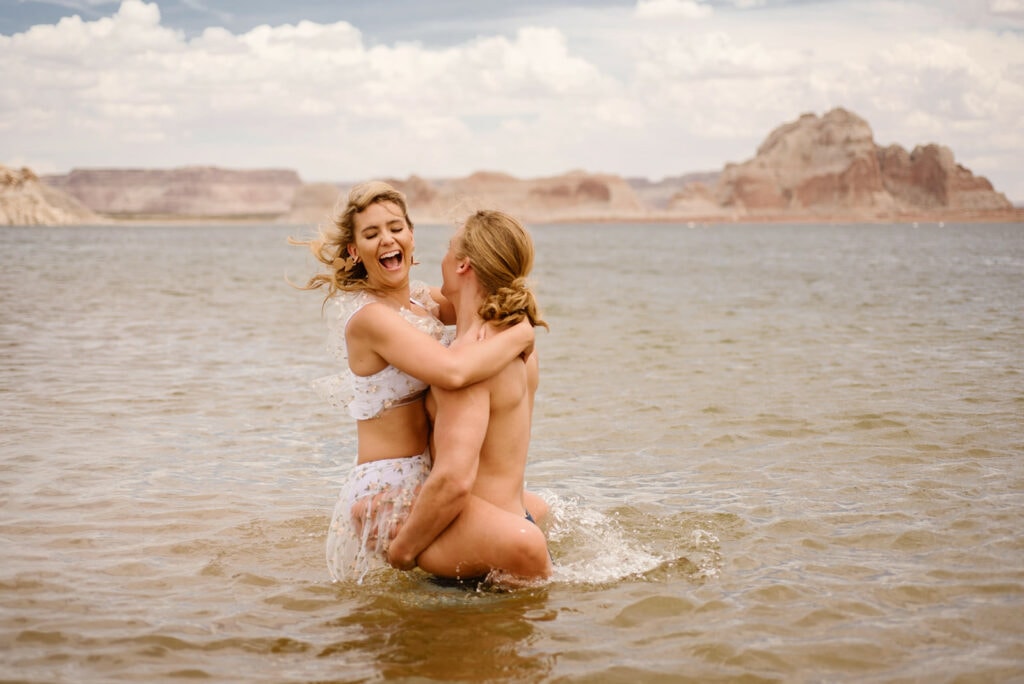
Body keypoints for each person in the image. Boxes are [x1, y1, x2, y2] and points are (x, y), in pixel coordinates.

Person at [292, 182, 534, 583]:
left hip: (426, 475)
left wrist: (521, 320)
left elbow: (484, 293)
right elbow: (454, 371)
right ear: (355, 251)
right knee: (520, 539)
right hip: (387, 484)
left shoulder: (423, 301)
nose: (386, 239)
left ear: (410, 235)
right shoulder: (371, 318)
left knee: (538, 507)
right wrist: (521, 337)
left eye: (395, 227)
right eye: (371, 234)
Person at [386, 209, 552, 584]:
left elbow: (454, 480)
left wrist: (402, 552)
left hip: (476, 544)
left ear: (463, 265)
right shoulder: (514, 341)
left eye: (448, 249)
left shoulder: (468, 364)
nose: (441, 258)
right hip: (512, 519)